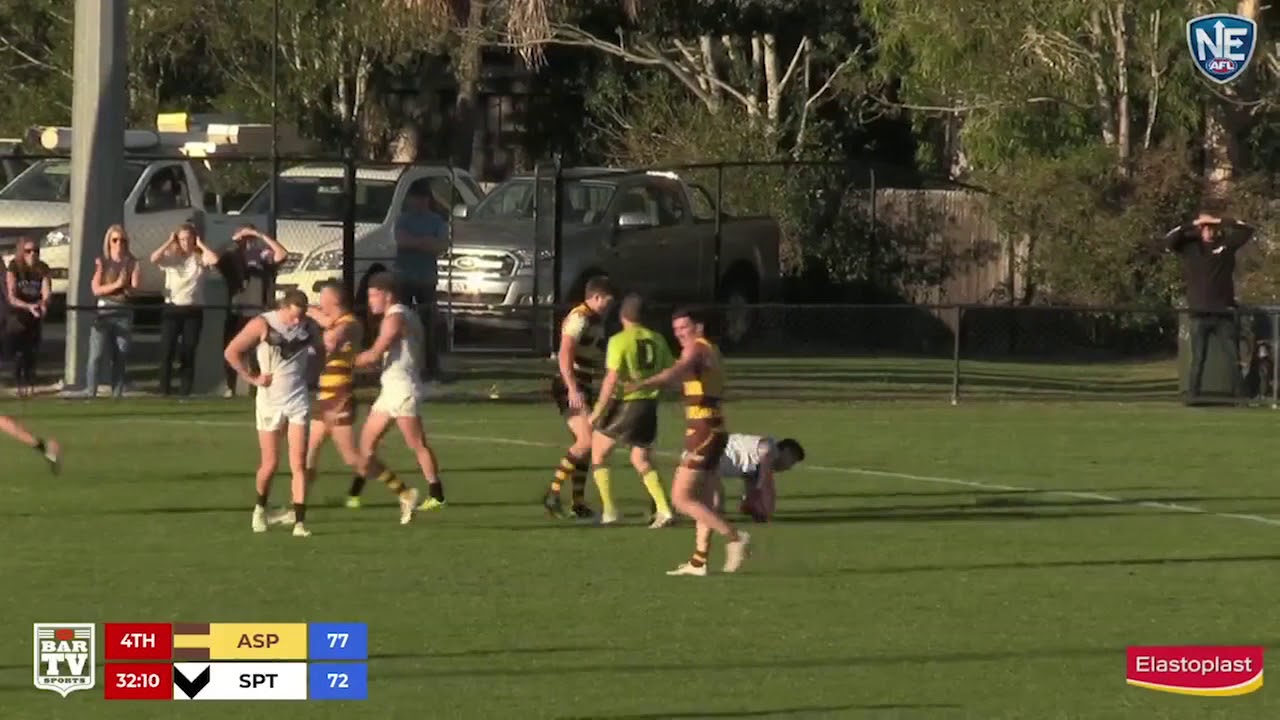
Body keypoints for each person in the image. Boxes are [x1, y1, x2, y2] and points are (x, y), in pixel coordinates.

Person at [629, 308, 750, 576]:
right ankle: (699, 561)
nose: (680, 334)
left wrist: (643, 384)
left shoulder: (696, 349)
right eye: (676, 330)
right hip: (712, 428)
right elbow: (689, 379)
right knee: (704, 498)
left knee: (681, 498)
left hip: (704, 430)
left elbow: (678, 371)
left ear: (699, 326)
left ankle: (734, 537)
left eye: (684, 328)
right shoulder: (709, 350)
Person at [223, 289, 321, 537]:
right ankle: (259, 509)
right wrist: (252, 378)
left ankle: (299, 522)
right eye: (294, 316)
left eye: (301, 316)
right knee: (270, 463)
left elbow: (321, 352)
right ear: (283, 307)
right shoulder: (263, 323)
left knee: (299, 462)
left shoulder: (310, 327)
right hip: (270, 401)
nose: (297, 322)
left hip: (298, 399)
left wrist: (312, 376)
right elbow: (231, 351)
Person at [352, 272, 445, 523]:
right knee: (366, 446)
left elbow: (374, 353)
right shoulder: (404, 315)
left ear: (387, 294)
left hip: (403, 389)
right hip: (390, 389)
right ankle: (400, 492)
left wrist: (342, 361)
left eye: (373, 295)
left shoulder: (395, 317)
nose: (370, 301)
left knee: (416, 443)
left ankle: (436, 494)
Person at [587, 293, 675, 527]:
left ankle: (609, 510)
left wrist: (597, 411)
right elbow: (671, 373)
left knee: (598, 453)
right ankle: (664, 510)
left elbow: (611, 380)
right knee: (640, 459)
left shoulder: (619, 341)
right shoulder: (658, 339)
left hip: (626, 405)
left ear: (622, 315)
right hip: (649, 406)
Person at [544, 276, 615, 519]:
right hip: (569, 385)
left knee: (589, 443)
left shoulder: (596, 320)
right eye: (607, 301)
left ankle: (578, 502)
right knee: (585, 441)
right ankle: (552, 494)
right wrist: (572, 388)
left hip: (585, 384)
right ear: (596, 297)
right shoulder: (579, 317)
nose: (609, 306)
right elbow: (565, 355)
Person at [1164, 212, 1256, 400]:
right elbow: (1169, 240)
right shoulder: (1190, 247)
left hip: (1223, 313)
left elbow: (1247, 230)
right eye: (1205, 228)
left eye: (1211, 228)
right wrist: (1194, 222)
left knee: (1233, 358)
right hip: (1199, 313)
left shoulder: (1226, 246)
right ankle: (1193, 395)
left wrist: (1219, 220)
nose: (1209, 231)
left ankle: (1240, 396)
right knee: (1198, 359)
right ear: (1200, 229)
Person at [305, 281, 366, 508]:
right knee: (308, 453)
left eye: (322, 297)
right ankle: (298, 504)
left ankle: (403, 491)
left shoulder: (350, 324)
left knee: (351, 457)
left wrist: (313, 314)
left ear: (334, 300)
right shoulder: (334, 323)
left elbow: (331, 341)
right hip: (325, 396)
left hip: (340, 395)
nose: (319, 302)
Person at [218, 225, 288, 398]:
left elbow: (282, 254)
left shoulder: (263, 256)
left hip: (259, 312)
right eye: (245, 238)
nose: (247, 241)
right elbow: (214, 257)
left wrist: (260, 235)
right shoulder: (232, 256)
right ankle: (230, 387)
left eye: (250, 238)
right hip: (237, 310)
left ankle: (258, 387)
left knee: (259, 354)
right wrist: (234, 240)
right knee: (231, 350)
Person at [152, 223, 219, 397]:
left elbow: (214, 260)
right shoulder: (172, 257)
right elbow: (154, 258)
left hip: (193, 309)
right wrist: (169, 241)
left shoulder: (199, 258)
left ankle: (185, 391)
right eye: (182, 239)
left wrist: (201, 244)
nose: (185, 242)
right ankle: (163, 390)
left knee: (188, 351)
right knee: (167, 351)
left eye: (188, 238)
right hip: (172, 308)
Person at [393, 179, 448, 386]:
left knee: (428, 323)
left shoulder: (436, 220)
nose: (418, 202)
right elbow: (401, 240)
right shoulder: (403, 219)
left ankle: (431, 367)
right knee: (402, 321)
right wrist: (424, 241)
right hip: (404, 277)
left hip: (426, 278)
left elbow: (440, 245)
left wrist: (417, 242)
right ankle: (404, 363)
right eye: (415, 199)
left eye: (422, 199)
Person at [83, 224, 140, 398]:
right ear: (109, 242)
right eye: (115, 240)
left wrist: (126, 286)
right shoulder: (103, 262)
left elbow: (135, 288)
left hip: (123, 312)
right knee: (96, 356)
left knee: (120, 355)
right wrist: (117, 285)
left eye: (122, 240)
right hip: (104, 312)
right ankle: (90, 393)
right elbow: (96, 289)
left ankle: (117, 394)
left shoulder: (132, 263)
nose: (119, 244)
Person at [718, 434, 805, 522]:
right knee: (716, 501)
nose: (789, 467)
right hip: (715, 455)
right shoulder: (769, 449)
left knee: (717, 502)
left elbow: (749, 500)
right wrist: (768, 511)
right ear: (787, 452)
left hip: (715, 460)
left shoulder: (756, 465)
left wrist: (753, 507)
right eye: (792, 461)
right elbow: (766, 485)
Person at [6, 236, 51, 398]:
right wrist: (28, 306)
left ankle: (30, 383)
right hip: (19, 313)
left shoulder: (43, 268)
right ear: (21, 252)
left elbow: (46, 292)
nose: (32, 254)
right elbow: (11, 297)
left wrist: (44, 304)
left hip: (35, 313)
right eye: (28, 251)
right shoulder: (14, 267)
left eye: (36, 251)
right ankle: (19, 384)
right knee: (19, 352)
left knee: (32, 351)